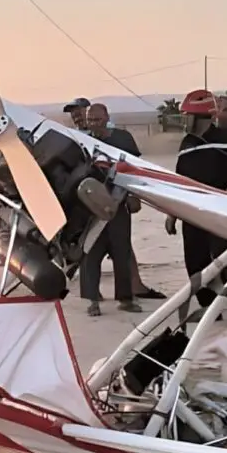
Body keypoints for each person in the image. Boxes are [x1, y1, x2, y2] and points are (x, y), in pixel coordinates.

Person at [173, 90, 227, 305]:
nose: (184, 121)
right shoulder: (187, 143)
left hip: (216, 211)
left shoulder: (223, 138)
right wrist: (172, 215)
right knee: (195, 261)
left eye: (188, 116)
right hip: (191, 212)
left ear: (201, 117)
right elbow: (179, 181)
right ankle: (208, 306)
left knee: (224, 261)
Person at [80, 102, 143, 314]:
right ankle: (92, 300)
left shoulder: (123, 139)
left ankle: (126, 299)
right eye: (90, 120)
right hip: (92, 206)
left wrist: (135, 196)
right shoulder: (83, 141)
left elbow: (136, 169)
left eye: (97, 119)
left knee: (121, 250)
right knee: (91, 252)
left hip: (119, 203)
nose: (94, 124)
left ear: (107, 117)